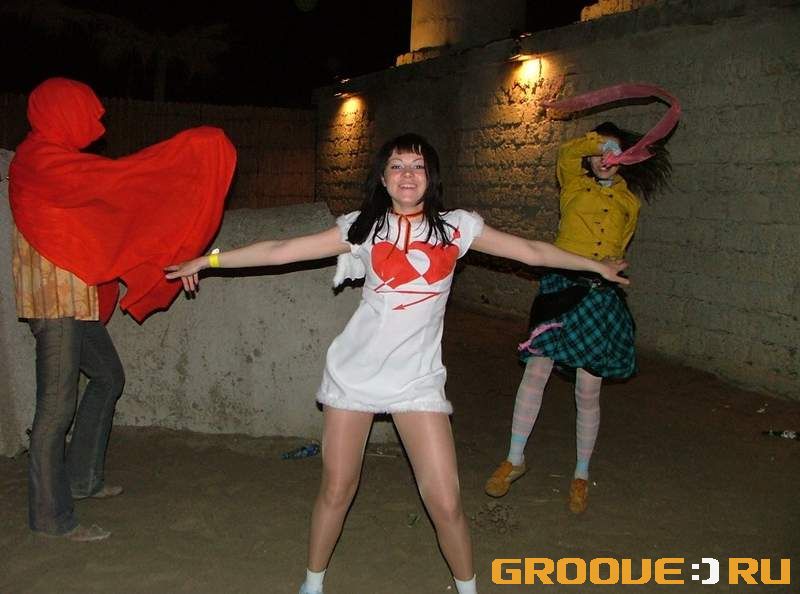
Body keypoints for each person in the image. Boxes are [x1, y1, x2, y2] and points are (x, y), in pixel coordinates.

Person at [165, 133, 629, 593]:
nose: (408, 174)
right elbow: (280, 250)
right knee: (337, 489)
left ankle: (468, 589)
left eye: (418, 166)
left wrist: (595, 266)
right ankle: (312, 584)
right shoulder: (363, 228)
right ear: (384, 179)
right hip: (355, 376)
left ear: (431, 177)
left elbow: (532, 251)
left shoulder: (457, 228)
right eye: (398, 166)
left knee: (446, 502)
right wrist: (209, 260)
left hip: (417, 381)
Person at [8, 78, 235, 541]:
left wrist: (163, 251)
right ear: (58, 113)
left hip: (76, 301)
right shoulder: (38, 162)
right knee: (55, 408)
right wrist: (182, 159)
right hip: (56, 304)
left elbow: (104, 216)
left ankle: (82, 479)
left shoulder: (56, 161)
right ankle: (51, 517)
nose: (93, 125)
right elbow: (117, 187)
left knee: (109, 377)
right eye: (81, 113)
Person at [485, 122, 672, 513]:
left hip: (598, 294)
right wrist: (599, 142)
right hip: (562, 286)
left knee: (588, 388)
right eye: (599, 153)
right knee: (536, 370)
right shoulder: (572, 182)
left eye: (614, 153)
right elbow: (567, 153)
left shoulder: (628, 202)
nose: (604, 159)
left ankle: (581, 474)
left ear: (625, 160)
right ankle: (514, 459)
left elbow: (619, 246)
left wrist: (611, 266)